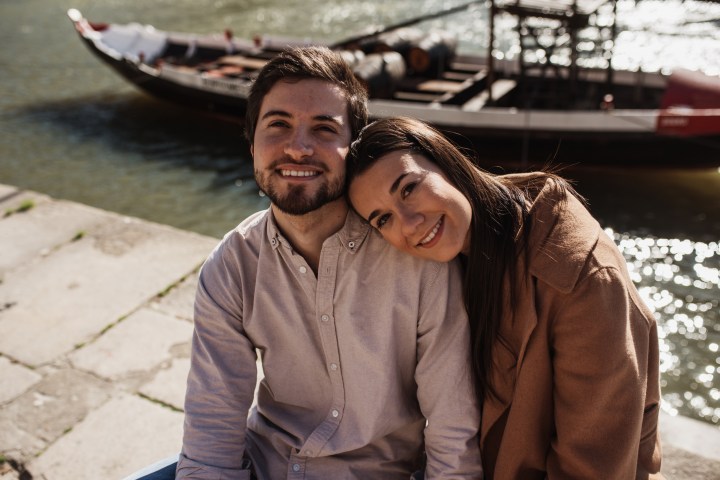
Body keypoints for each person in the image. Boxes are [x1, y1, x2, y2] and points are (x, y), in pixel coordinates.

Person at [176, 49, 483, 479]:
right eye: (278, 125)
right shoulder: (231, 268)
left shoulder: (416, 258)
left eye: (324, 129)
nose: (298, 149)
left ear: (352, 151)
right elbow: (212, 432)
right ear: (251, 144)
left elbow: (454, 436)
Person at [346, 116, 665, 480]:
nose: (409, 223)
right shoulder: (451, 259)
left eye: (409, 189)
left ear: (447, 162)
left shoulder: (582, 281)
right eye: (383, 219)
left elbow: (591, 469)